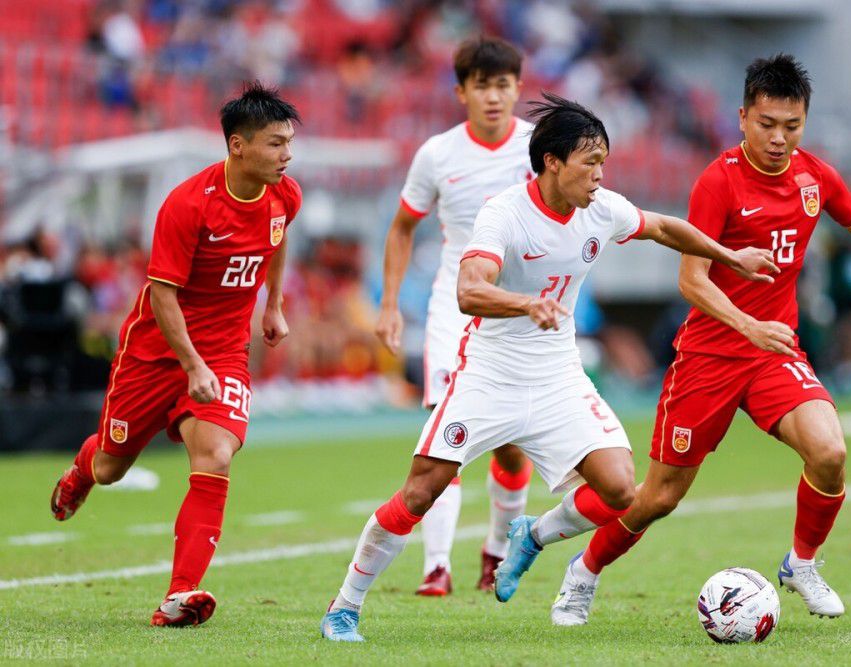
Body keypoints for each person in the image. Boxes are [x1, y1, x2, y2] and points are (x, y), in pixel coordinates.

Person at [320, 92, 777, 642]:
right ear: (553, 163)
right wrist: (524, 303)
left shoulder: (601, 208)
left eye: (604, 162)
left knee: (619, 489)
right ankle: (344, 606)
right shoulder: (503, 213)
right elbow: (470, 290)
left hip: (558, 378)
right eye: (591, 163)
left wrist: (732, 258)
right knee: (422, 490)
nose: (601, 176)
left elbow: (664, 227)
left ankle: (531, 537)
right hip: (490, 376)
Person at [548, 54, 851, 627]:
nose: (780, 139)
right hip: (710, 356)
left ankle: (801, 564)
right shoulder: (719, 180)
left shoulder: (815, 177)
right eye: (767, 124)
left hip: (772, 356)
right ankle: (582, 574)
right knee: (659, 496)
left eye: (792, 126)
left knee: (830, 452)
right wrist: (749, 326)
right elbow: (691, 281)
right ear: (743, 117)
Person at [49, 82, 302, 627]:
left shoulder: (285, 196)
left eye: (288, 143)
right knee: (112, 466)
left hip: (226, 353)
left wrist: (273, 306)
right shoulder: (188, 205)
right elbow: (162, 294)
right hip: (155, 354)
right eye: (276, 144)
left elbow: (276, 242)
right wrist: (191, 365)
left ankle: (180, 595)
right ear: (238, 145)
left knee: (214, 454)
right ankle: (82, 471)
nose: (287, 155)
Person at [376, 35, 537, 596]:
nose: (493, 96)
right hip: (453, 307)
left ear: (518, 88)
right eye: (481, 85)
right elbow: (402, 226)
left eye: (503, 85)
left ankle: (496, 549)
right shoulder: (437, 154)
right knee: (446, 437)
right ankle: (436, 567)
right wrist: (390, 303)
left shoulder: (540, 149)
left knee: (512, 446)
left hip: (517, 310)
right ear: (461, 91)